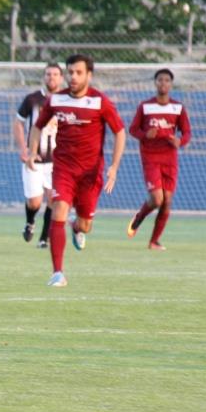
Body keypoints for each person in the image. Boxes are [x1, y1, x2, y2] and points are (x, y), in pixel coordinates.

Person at [27, 54, 126, 288]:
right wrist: (32, 151)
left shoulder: (100, 101)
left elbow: (120, 132)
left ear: (89, 75)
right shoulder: (56, 100)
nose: (73, 77)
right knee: (58, 209)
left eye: (78, 72)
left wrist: (114, 166)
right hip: (63, 169)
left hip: (91, 174)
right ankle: (57, 273)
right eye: (70, 72)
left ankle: (77, 228)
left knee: (84, 225)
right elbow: (37, 127)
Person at [126, 69, 192, 250]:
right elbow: (133, 129)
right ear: (155, 83)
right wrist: (146, 134)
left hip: (170, 158)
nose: (163, 83)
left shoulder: (178, 107)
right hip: (150, 157)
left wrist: (180, 141)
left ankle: (154, 241)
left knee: (167, 202)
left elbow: (186, 132)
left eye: (167, 80)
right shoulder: (145, 106)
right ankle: (139, 217)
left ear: (171, 84)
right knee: (157, 199)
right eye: (160, 80)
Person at [13, 62, 63, 248]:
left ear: (61, 78)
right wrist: (24, 150)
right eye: (48, 74)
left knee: (53, 199)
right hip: (34, 158)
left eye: (55, 74)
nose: (52, 77)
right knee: (35, 202)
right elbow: (18, 123)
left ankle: (44, 239)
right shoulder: (32, 99)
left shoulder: (66, 100)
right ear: (44, 77)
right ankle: (30, 222)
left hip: (57, 162)